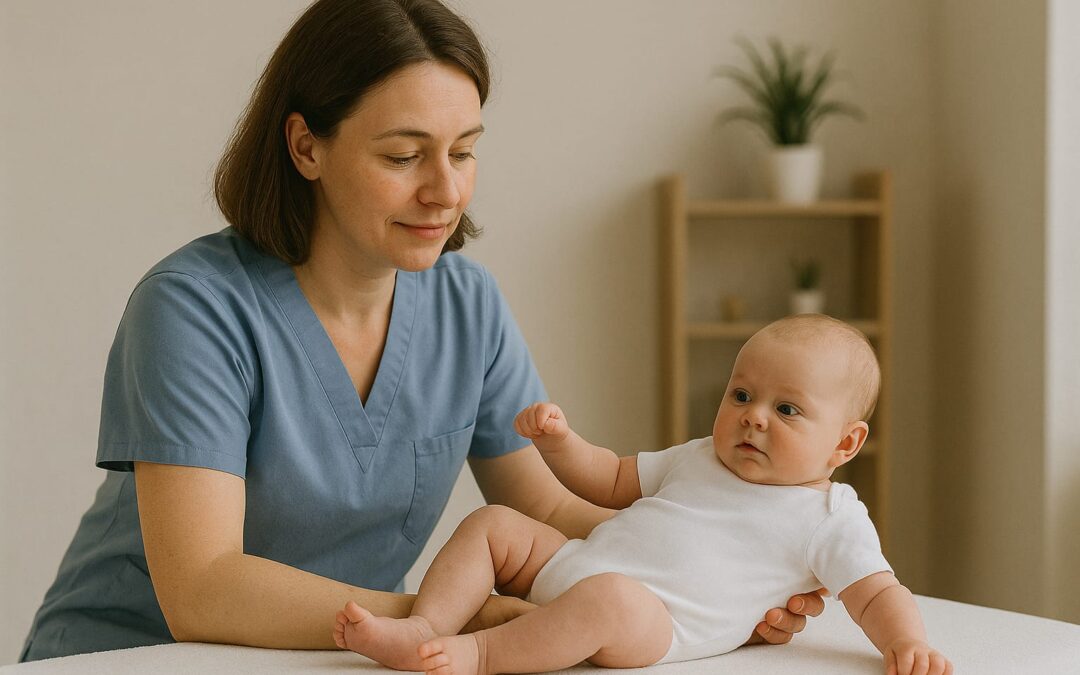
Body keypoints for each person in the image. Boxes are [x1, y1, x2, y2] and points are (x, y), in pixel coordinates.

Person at [18, 0, 823, 662]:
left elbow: (547, 508)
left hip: (345, 656)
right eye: (405, 155)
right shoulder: (192, 308)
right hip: (131, 654)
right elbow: (202, 587)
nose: (446, 190)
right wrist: (447, 613)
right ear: (306, 146)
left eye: (464, 152)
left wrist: (710, 576)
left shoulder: (466, 304)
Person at [334, 315, 952, 675]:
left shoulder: (827, 517)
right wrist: (559, 442)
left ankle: (477, 654)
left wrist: (907, 644)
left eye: (786, 409)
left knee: (610, 599)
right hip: (576, 566)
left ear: (845, 444)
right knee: (494, 520)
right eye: (740, 395)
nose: (752, 417)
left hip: (652, 623)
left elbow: (876, 593)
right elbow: (608, 478)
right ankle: (426, 625)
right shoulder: (699, 457)